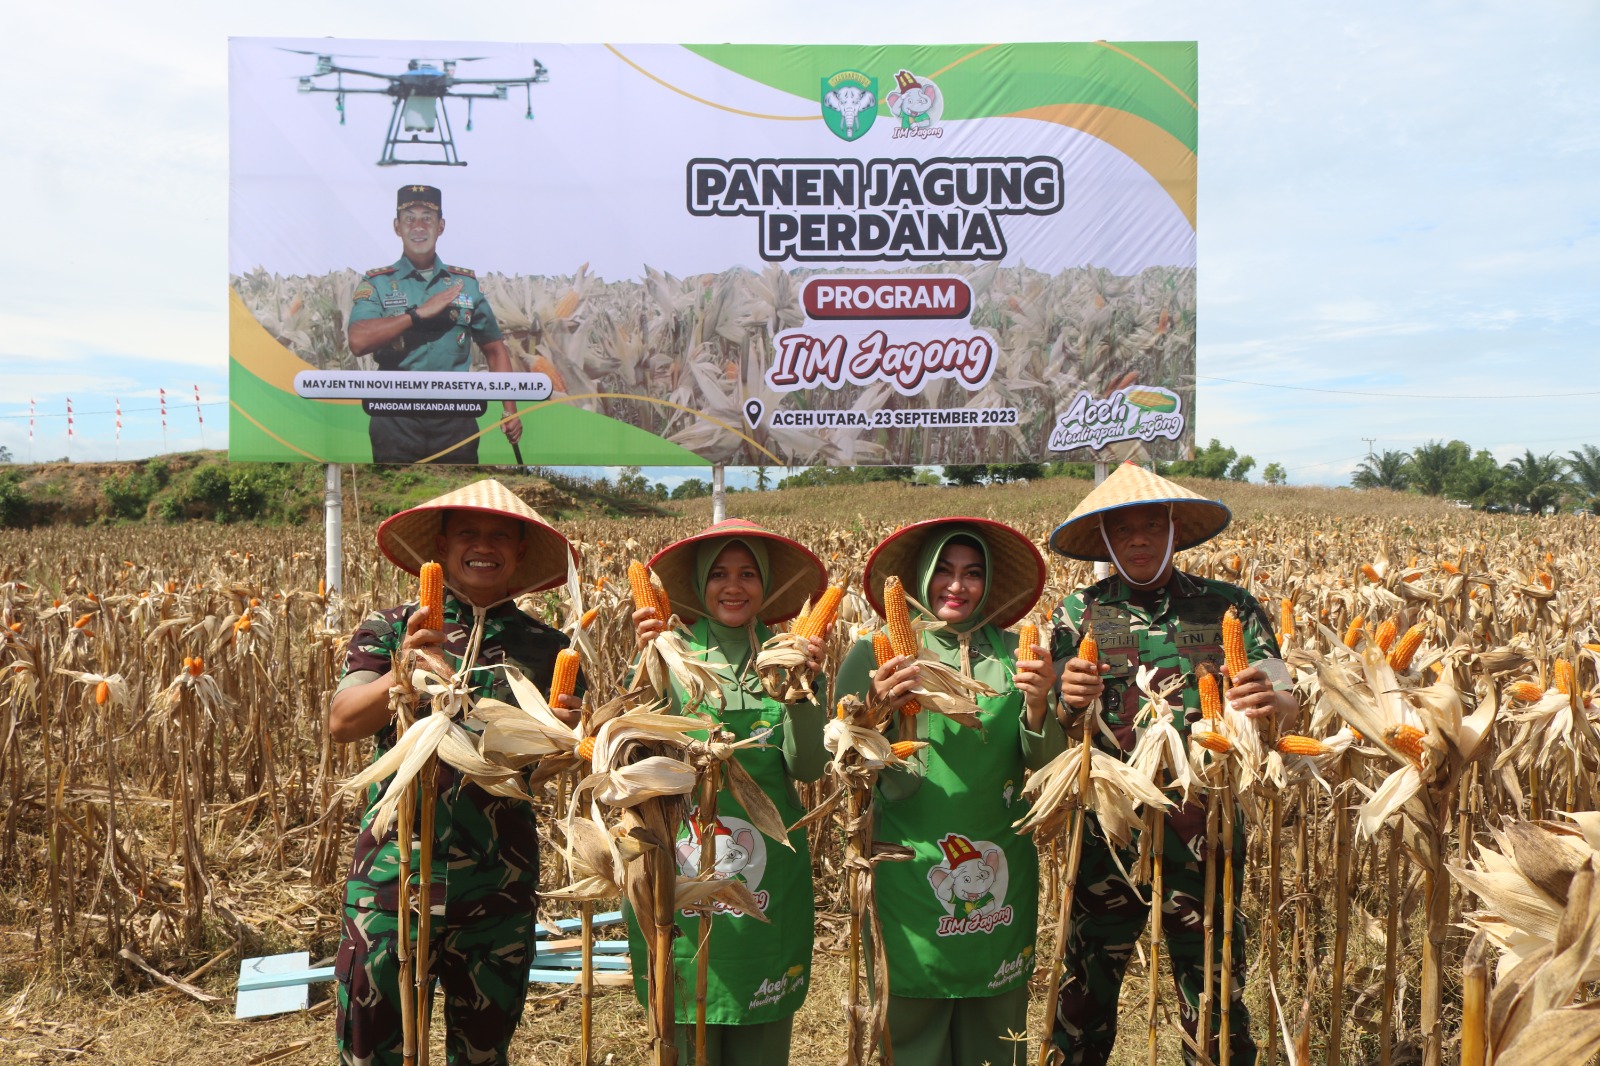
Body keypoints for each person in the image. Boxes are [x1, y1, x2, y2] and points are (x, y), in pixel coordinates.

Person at [1046, 462, 1299, 1066]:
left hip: (1204, 826)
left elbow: (1287, 697)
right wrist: (1067, 697)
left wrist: (1274, 702)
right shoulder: (1079, 611)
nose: (1138, 540)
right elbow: (1057, 714)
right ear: (1105, 539)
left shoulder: (1230, 607)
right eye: (1123, 529)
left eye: (1151, 527)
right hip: (1109, 829)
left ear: (1175, 530)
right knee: (1085, 985)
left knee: (1211, 985)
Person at [328, 478, 579, 1066]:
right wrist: (404, 671)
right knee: (370, 1049)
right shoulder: (391, 628)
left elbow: (544, 771)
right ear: (441, 547)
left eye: (500, 536)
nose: (483, 546)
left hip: (498, 884)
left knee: (483, 1053)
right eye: (468, 533)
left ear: (519, 552)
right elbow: (342, 721)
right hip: (393, 875)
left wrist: (565, 740)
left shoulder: (548, 649)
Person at [834, 517, 1065, 1066]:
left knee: (997, 1038)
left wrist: (1039, 705)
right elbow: (841, 760)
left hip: (998, 867)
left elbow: (1047, 766)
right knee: (911, 1032)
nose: (957, 585)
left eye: (972, 573)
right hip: (906, 870)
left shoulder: (1015, 654)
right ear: (921, 576)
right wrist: (875, 713)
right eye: (944, 570)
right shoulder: (873, 654)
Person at [625, 518, 830, 1065]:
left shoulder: (788, 658)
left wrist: (803, 689)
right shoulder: (667, 651)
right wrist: (646, 666)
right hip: (677, 866)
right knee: (683, 1026)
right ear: (699, 583)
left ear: (765, 585)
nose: (733, 586)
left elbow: (808, 768)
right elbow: (630, 760)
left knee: (760, 1036)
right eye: (719, 574)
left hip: (768, 878)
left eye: (747, 574)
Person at [348, 184, 525, 464]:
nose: (418, 227)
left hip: (455, 418)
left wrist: (509, 410)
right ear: (397, 227)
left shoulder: (464, 284)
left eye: (427, 218)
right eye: (409, 218)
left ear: (440, 226)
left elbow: (494, 349)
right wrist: (416, 315)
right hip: (395, 416)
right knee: (399, 490)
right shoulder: (378, 283)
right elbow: (358, 341)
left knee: (458, 492)